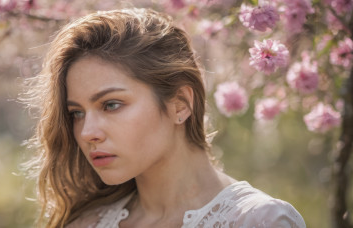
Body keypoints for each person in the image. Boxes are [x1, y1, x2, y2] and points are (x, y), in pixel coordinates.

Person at [24, 8, 306, 228]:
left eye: (110, 105)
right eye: (77, 113)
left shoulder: (260, 221)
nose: (87, 132)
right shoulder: (87, 224)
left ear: (180, 105)